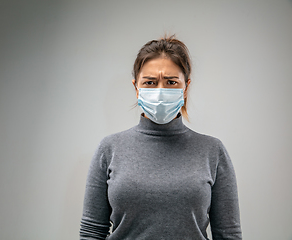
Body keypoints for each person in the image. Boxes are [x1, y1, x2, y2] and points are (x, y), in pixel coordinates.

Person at [79, 35, 242, 240]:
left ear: (186, 86)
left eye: (171, 82)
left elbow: (228, 234)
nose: (160, 91)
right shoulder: (110, 148)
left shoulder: (212, 150)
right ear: (136, 86)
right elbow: (92, 231)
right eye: (150, 82)